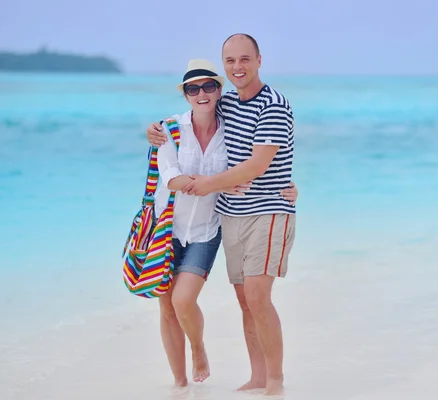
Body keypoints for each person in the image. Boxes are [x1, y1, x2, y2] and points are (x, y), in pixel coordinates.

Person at [146, 33, 296, 397]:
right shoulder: (222, 106)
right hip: (216, 220)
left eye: (245, 59)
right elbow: (187, 128)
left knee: (257, 297)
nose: (237, 67)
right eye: (230, 61)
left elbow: (258, 163)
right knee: (244, 301)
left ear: (259, 59)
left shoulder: (271, 105)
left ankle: (275, 381)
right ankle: (252, 378)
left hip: (259, 214)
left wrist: (208, 182)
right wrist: (152, 130)